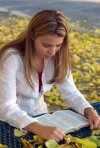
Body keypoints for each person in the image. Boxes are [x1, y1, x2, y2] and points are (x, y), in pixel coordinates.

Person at [0, 9, 100, 142]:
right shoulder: (12, 58)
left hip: (41, 115)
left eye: (58, 45)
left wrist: (88, 110)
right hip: (8, 122)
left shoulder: (58, 57)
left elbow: (71, 92)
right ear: (32, 35)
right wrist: (39, 128)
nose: (52, 52)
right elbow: (7, 107)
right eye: (46, 45)